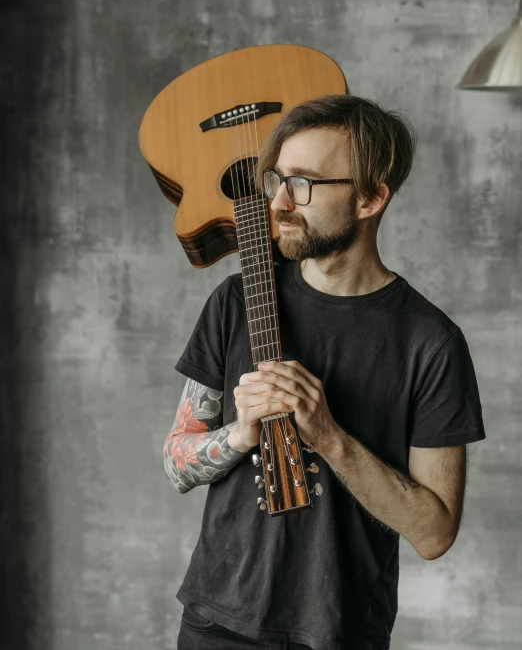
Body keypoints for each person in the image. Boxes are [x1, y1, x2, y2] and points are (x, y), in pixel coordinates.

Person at [163, 94, 486, 650]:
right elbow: (177, 464)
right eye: (277, 180)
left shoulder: (431, 344)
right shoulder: (238, 301)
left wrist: (331, 439)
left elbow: (434, 533)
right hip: (216, 624)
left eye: (305, 183)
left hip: (340, 631)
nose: (281, 202)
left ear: (370, 197)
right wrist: (241, 434)